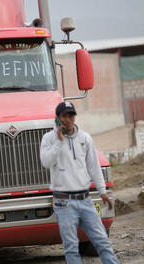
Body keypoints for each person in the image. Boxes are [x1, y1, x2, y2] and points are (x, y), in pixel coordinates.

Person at [40, 101, 118, 264]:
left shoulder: (85, 138)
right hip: (63, 202)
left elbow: (94, 167)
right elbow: (46, 162)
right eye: (64, 116)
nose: (68, 119)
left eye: (71, 115)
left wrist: (103, 192)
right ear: (58, 118)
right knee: (71, 246)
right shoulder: (48, 138)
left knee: (102, 240)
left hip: (85, 199)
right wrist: (59, 142)